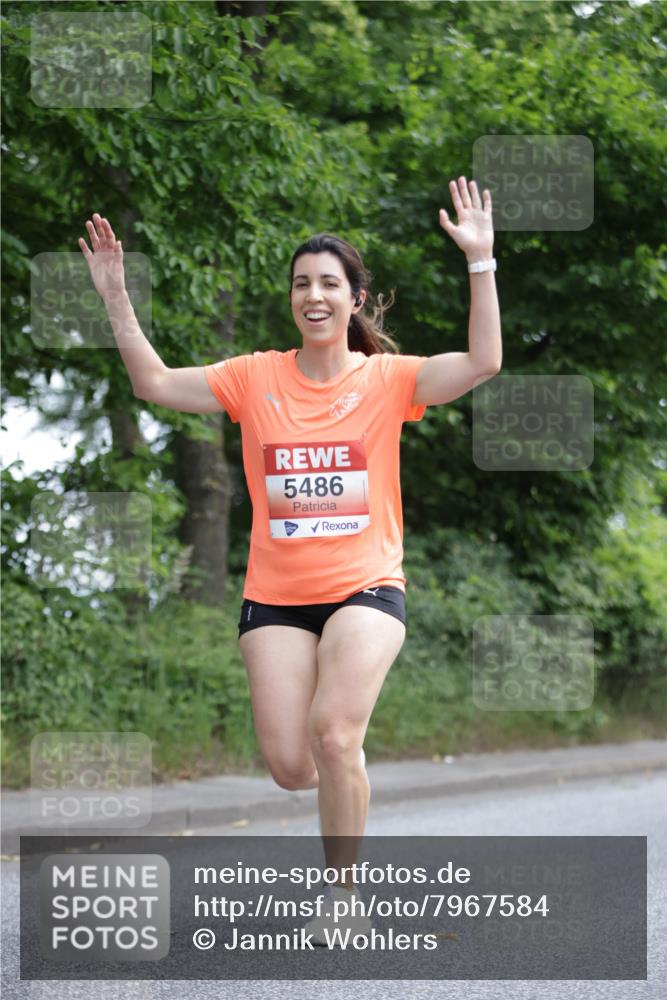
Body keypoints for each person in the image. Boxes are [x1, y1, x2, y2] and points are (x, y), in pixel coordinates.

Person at [79, 176, 501, 942]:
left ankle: (343, 897)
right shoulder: (253, 376)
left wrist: (480, 262)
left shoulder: (387, 380)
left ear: (354, 299)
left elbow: (481, 362)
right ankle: (343, 763)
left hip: (367, 585)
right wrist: (114, 295)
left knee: (333, 733)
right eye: (302, 283)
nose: (314, 294)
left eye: (329, 283)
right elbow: (152, 383)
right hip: (275, 596)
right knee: (291, 764)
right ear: (292, 298)